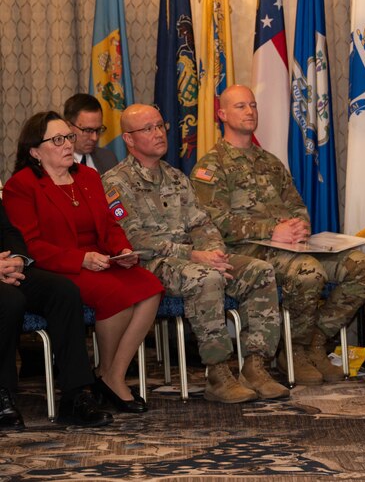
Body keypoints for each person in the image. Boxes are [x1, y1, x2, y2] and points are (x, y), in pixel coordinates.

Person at [190, 85, 365, 385]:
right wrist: (271, 230)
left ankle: (315, 342)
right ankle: (292, 351)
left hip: (292, 246)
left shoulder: (269, 162)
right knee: (308, 273)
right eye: (240, 106)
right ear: (222, 114)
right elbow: (213, 221)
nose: (250, 111)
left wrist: (299, 226)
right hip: (248, 251)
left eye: (253, 105)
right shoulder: (211, 166)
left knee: (363, 269)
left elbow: (296, 204)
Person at [103, 104, 289, 403]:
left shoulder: (176, 177)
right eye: (148, 129)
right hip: (151, 264)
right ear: (128, 138)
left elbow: (201, 222)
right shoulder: (116, 182)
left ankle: (256, 366)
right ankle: (217, 373)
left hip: (195, 258)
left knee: (259, 270)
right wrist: (194, 256)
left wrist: (213, 250)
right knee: (205, 276)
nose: (158, 133)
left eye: (160, 125)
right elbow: (135, 238)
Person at [3, 111, 163, 414]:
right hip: (59, 266)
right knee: (117, 298)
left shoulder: (87, 177)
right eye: (58, 139)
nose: (68, 145)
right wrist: (81, 259)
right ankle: (107, 378)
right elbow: (31, 245)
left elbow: (109, 225)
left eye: (69, 138)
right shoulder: (21, 186)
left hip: (100, 259)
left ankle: (110, 373)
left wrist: (122, 250)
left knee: (151, 287)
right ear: (35, 151)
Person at [0, 203, 113, 428]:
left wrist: (18, 259)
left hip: (5, 266)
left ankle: (75, 395)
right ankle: (2, 393)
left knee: (63, 291)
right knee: (10, 301)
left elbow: (7, 230)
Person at [63, 94, 118, 173]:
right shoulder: (55, 164)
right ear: (68, 126)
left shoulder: (108, 158)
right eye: (88, 130)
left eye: (98, 130)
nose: (94, 138)